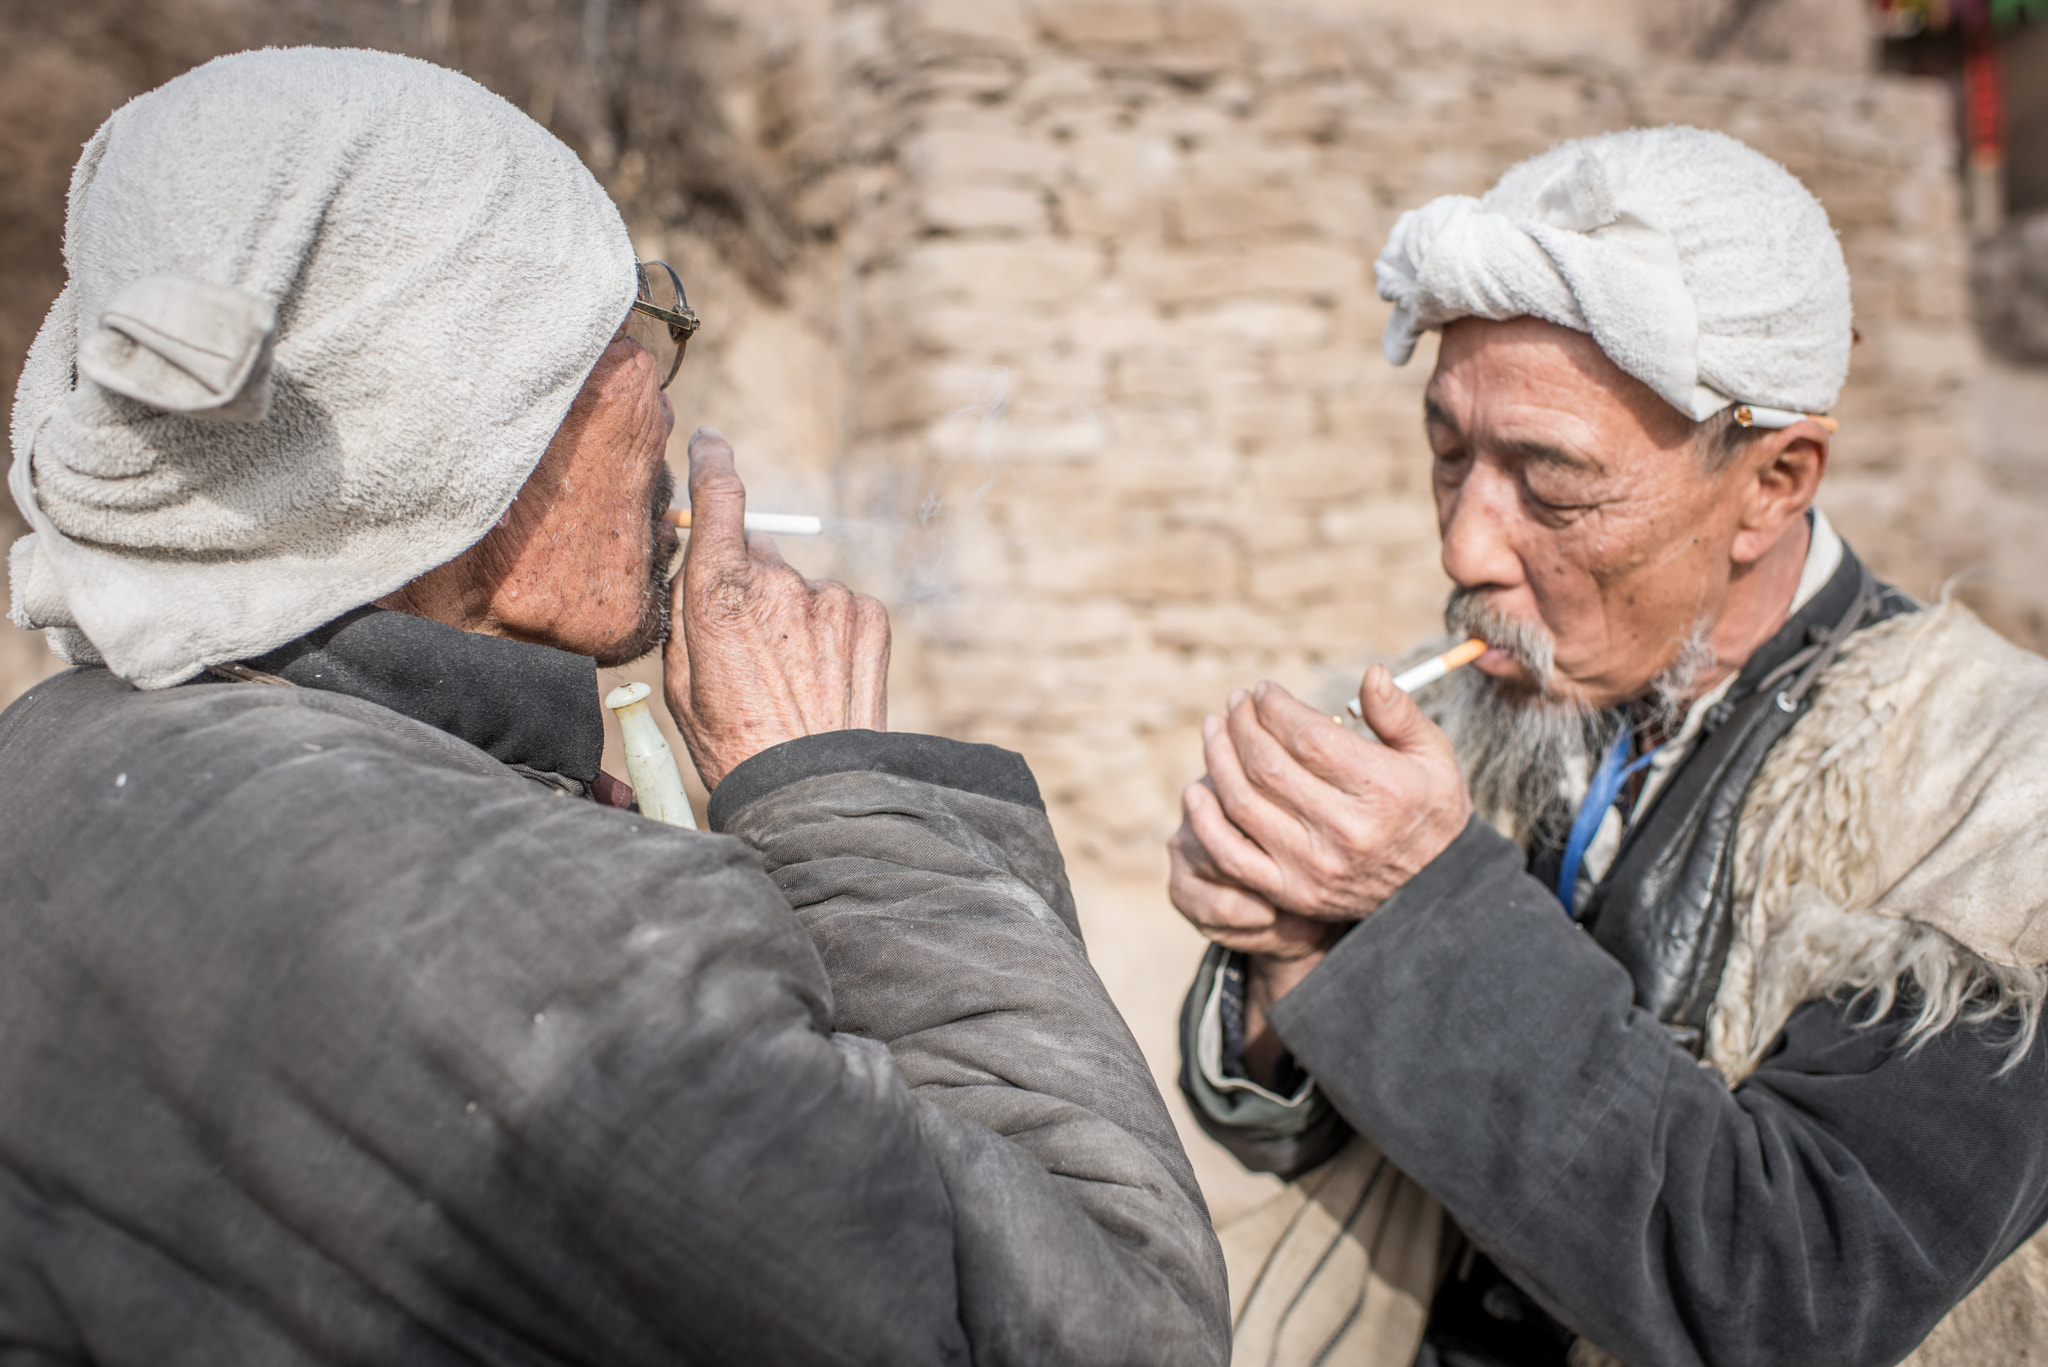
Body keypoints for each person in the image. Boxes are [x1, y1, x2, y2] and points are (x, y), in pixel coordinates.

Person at [0, 48, 1228, 1364]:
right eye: (624, 334)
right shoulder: (563, 941)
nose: (664, 393)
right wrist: (842, 796)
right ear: (472, 433)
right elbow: (1115, 1314)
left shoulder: (57, 753)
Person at [1169, 127, 2048, 1367]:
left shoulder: (2005, 796)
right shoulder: (1480, 721)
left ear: (1770, 482)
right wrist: (1287, 952)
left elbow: (1785, 1294)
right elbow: (1289, 1132)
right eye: (1446, 454)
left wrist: (1421, 908)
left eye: (1551, 482)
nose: (1465, 550)